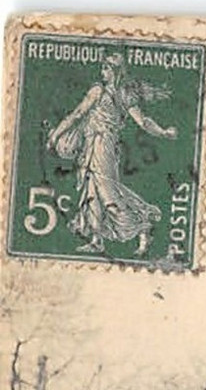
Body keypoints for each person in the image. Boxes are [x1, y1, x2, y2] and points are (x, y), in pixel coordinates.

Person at [46, 52, 177, 256]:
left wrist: (163, 132)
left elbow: (142, 121)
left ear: (115, 71)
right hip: (91, 145)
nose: (102, 72)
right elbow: (78, 114)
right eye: (102, 68)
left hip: (104, 147)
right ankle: (97, 240)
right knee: (92, 192)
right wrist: (57, 134)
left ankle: (143, 227)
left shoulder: (118, 94)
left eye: (106, 68)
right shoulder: (101, 90)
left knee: (108, 195)